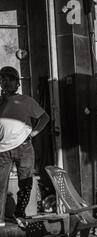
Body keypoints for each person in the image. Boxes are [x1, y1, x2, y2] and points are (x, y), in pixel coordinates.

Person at [0, 66, 50, 227]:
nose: (6, 82)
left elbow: (44, 118)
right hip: (2, 149)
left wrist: (34, 133)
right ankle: (0, 218)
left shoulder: (26, 101)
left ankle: (19, 213)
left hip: (24, 147)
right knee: (0, 184)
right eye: (3, 79)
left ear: (17, 84)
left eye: (10, 79)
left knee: (26, 183)